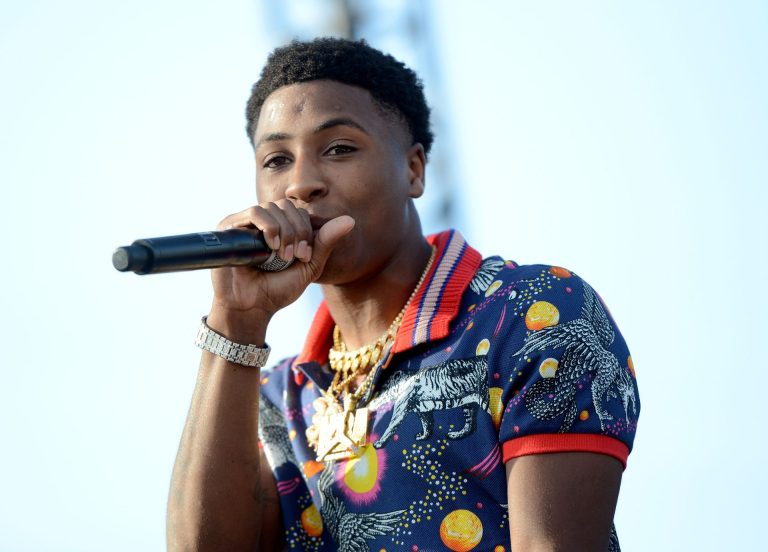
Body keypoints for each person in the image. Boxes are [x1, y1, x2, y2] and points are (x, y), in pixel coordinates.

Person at [166, 37, 640, 551]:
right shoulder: (277, 397)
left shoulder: (532, 314)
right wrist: (235, 323)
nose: (300, 185)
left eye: (339, 148)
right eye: (276, 160)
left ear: (413, 170)